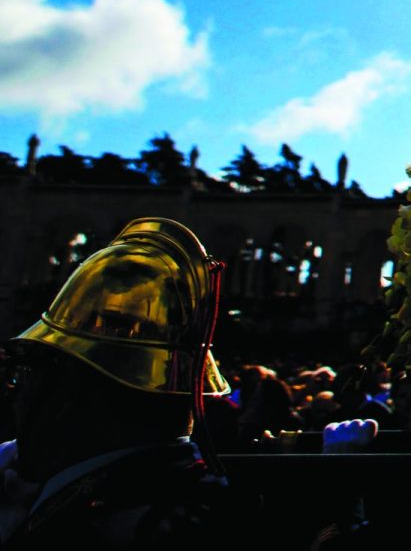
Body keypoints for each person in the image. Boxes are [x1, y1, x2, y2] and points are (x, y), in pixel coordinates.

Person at [0, 217, 243, 548]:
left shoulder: (136, 521)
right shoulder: (175, 491)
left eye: (23, 374)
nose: (15, 396)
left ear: (71, 396)